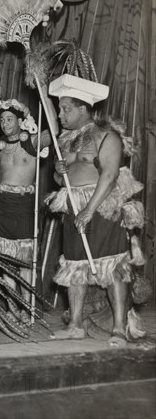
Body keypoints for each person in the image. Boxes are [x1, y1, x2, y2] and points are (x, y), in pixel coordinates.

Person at [47, 74, 145, 347]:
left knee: (112, 266)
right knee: (75, 265)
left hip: (102, 207)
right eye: (59, 109)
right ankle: (75, 325)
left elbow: (110, 175)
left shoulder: (107, 136)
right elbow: (61, 180)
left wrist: (90, 210)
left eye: (65, 109)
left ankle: (119, 329)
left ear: (82, 109)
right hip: (72, 204)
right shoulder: (66, 140)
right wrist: (58, 171)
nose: (60, 115)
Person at [0, 98, 56, 321]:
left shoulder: (32, 142)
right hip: (1, 204)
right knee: (5, 260)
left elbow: (54, 131)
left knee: (25, 261)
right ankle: (12, 307)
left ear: (19, 121)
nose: (5, 123)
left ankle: (27, 308)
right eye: (3, 119)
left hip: (24, 205)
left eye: (10, 119)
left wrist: (44, 96)